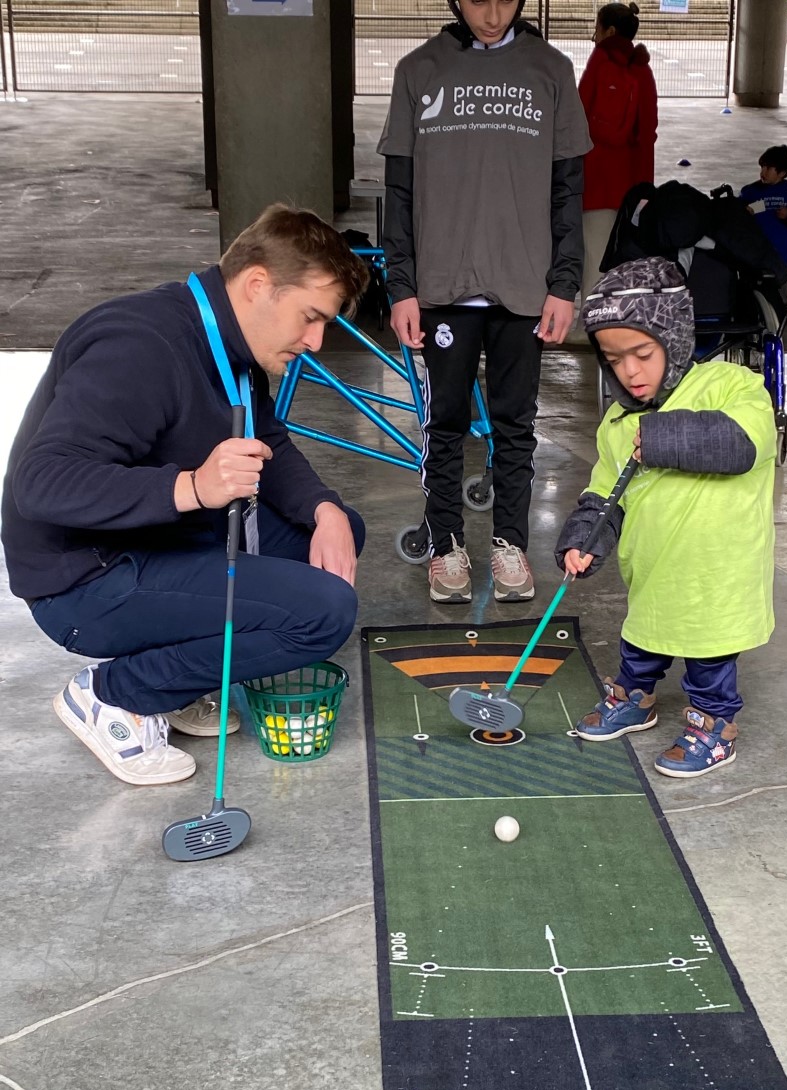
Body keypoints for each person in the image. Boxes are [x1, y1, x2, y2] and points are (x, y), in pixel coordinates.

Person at [1, 205, 369, 787]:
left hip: (163, 537)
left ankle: (177, 679)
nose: (316, 342)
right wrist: (192, 486)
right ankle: (115, 695)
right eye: (310, 317)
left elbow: (266, 440)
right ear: (257, 284)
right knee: (324, 614)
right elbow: (42, 483)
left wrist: (324, 509)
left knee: (334, 532)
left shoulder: (231, 344)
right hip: (87, 579)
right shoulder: (140, 345)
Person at [377, 0, 591, 604]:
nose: (492, 13)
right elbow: (399, 193)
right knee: (444, 424)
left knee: (515, 426)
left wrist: (564, 284)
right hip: (442, 286)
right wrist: (401, 287)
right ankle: (445, 547)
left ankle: (510, 545)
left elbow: (568, 190)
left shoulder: (551, 69)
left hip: (523, 288)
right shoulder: (419, 70)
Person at [555, 256, 776, 778]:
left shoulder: (730, 386)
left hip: (716, 576)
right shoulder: (617, 421)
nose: (630, 372)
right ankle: (637, 697)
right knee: (643, 641)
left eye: (642, 353)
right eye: (614, 359)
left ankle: (716, 726)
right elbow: (605, 493)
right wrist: (586, 536)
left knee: (709, 658)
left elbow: (742, 444)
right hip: (654, 571)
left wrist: (658, 436)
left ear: (673, 342)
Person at [577, 1, 657, 329]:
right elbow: (648, 131)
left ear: (609, 31)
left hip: (596, 179)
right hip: (632, 182)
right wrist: (645, 186)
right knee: (624, 257)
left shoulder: (600, 61)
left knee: (594, 256)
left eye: (597, 28)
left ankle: (592, 325)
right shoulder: (642, 69)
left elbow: (579, 116)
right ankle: (619, 322)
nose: (594, 36)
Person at [739, 145, 787, 317]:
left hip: (779, 250)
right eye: (762, 167)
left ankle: (781, 308)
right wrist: (745, 211)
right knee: (752, 278)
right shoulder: (750, 191)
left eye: (768, 168)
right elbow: (738, 212)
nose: (763, 172)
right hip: (754, 248)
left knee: (780, 279)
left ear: (782, 173)